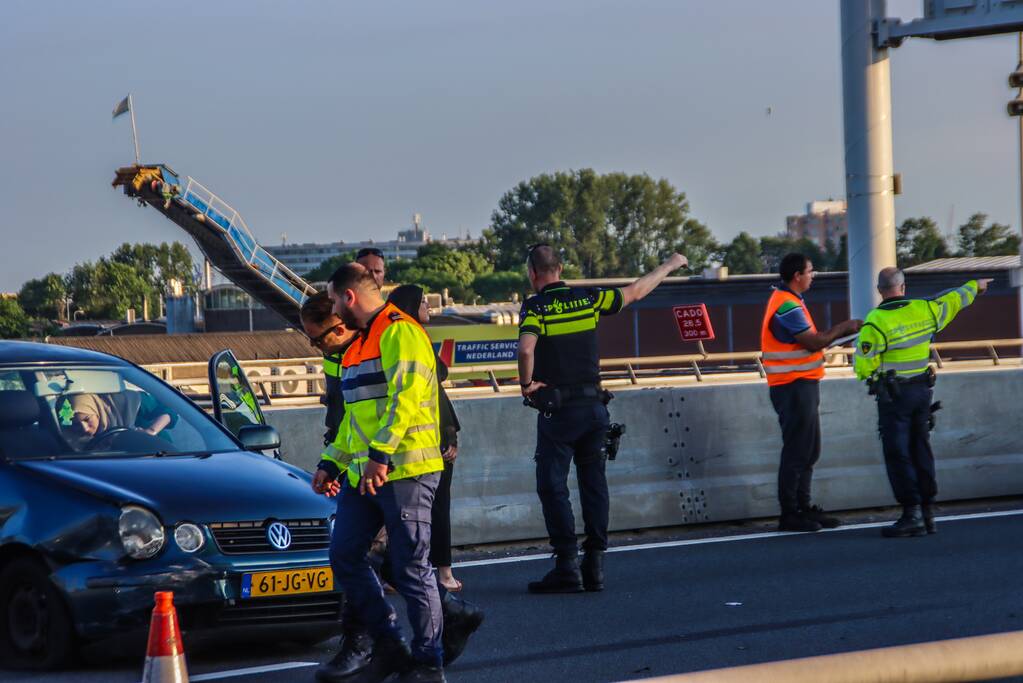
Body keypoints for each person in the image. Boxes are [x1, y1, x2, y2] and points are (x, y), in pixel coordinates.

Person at [518, 244, 688, 593]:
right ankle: (594, 564)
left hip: (560, 413)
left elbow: (525, 349)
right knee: (594, 485)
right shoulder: (589, 299)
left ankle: (566, 565)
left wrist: (526, 385)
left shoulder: (537, 307)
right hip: (595, 410)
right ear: (561, 268)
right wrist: (671, 264)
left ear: (533, 273)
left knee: (553, 486)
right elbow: (638, 290)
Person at [312, 263, 446, 683]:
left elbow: (404, 399)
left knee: (410, 567)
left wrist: (381, 455)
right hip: (366, 474)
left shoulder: (399, 331)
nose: (333, 309)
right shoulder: (356, 347)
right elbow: (354, 420)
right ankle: (389, 644)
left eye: (334, 300)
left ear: (348, 297)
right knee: (344, 554)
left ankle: (428, 663)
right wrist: (330, 461)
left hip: (406, 470)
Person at [854, 268, 990, 537]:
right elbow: (955, 299)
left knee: (898, 452)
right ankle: (928, 512)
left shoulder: (876, 320)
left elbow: (863, 367)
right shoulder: (926, 309)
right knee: (921, 448)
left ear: (880, 290)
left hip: (894, 397)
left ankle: (911, 514)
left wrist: (871, 373)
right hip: (922, 392)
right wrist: (975, 285)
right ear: (903, 287)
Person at [760, 253, 861, 533]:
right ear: (797, 276)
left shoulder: (791, 301)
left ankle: (804, 507)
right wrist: (846, 326)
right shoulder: (787, 305)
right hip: (792, 387)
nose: (813, 275)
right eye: (810, 271)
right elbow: (814, 341)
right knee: (797, 450)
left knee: (809, 449)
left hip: (801, 384)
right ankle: (790, 512)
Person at [388, 285, 462, 593]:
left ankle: (432, 571)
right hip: (419, 442)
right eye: (421, 303)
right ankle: (439, 574)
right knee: (429, 510)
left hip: (424, 439)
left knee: (423, 511)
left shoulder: (405, 337)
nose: (428, 307)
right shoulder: (409, 339)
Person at [301, 291, 356, 448]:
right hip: (338, 442)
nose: (313, 345)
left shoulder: (369, 353)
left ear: (339, 331)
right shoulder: (331, 351)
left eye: (317, 340)